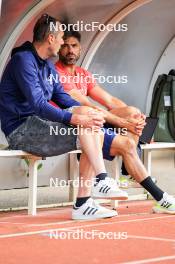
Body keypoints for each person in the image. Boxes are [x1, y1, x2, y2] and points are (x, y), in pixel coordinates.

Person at [0, 14, 130, 220]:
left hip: (40, 124)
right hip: (21, 129)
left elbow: (61, 97)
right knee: (86, 127)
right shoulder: (22, 60)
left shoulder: (48, 65)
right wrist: (75, 119)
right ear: (51, 38)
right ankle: (92, 190)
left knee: (89, 119)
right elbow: (39, 105)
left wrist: (89, 112)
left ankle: (93, 192)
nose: (62, 43)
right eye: (61, 38)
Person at [55, 27, 175, 214]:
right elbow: (87, 105)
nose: (70, 50)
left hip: (92, 122)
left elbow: (110, 101)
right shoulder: (56, 73)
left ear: (80, 49)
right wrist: (123, 123)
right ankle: (159, 196)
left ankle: (127, 171)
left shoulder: (82, 73)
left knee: (132, 112)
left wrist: (135, 118)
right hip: (74, 126)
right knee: (126, 143)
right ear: (58, 48)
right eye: (65, 46)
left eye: (74, 46)